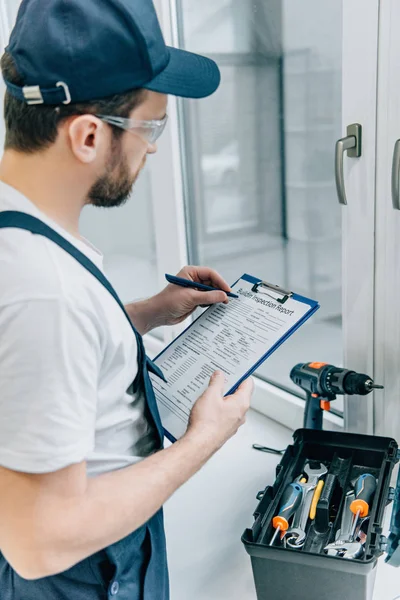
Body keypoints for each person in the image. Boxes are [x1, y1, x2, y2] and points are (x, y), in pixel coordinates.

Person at [0, 1, 253, 599]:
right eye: (152, 128)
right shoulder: (43, 290)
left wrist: (148, 311)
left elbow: (43, 356)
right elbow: (40, 542)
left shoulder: (23, 226)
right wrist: (202, 442)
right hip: (81, 573)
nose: (155, 150)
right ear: (88, 135)